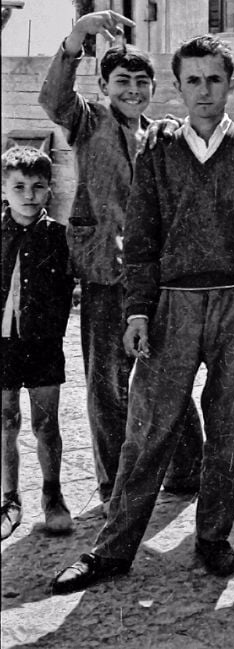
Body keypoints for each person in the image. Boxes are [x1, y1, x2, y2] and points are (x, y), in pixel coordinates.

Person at [51, 34, 234, 593]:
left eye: (215, 79)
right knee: (147, 428)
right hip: (171, 306)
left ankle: (213, 538)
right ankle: (112, 549)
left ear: (230, 83)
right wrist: (137, 312)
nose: (204, 90)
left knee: (230, 428)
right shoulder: (157, 149)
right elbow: (143, 234)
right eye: (193, 80)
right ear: (177, 87)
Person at [38, 11, 203, 509]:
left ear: (154, 88)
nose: (132, 90)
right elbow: (54, 99)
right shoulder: (88, 121)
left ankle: (186, 470)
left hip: (157, 276)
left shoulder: (165, 134)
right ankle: (115, 483)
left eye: (141, 82)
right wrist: (78, 37)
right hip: (104, 273)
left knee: (170, 373)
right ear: (106, 86)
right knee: (108, 384)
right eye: (122, 81)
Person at [1, 147, 74, 540]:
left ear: (49, 190)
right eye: (19, 186)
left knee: (46, 423)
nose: (28, 195)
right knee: (5, 420)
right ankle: (9, 498)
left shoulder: (60, 238)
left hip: (44, 344)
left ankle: (53, 495)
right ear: (4, 189)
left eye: (38, 186)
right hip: (3, 345)